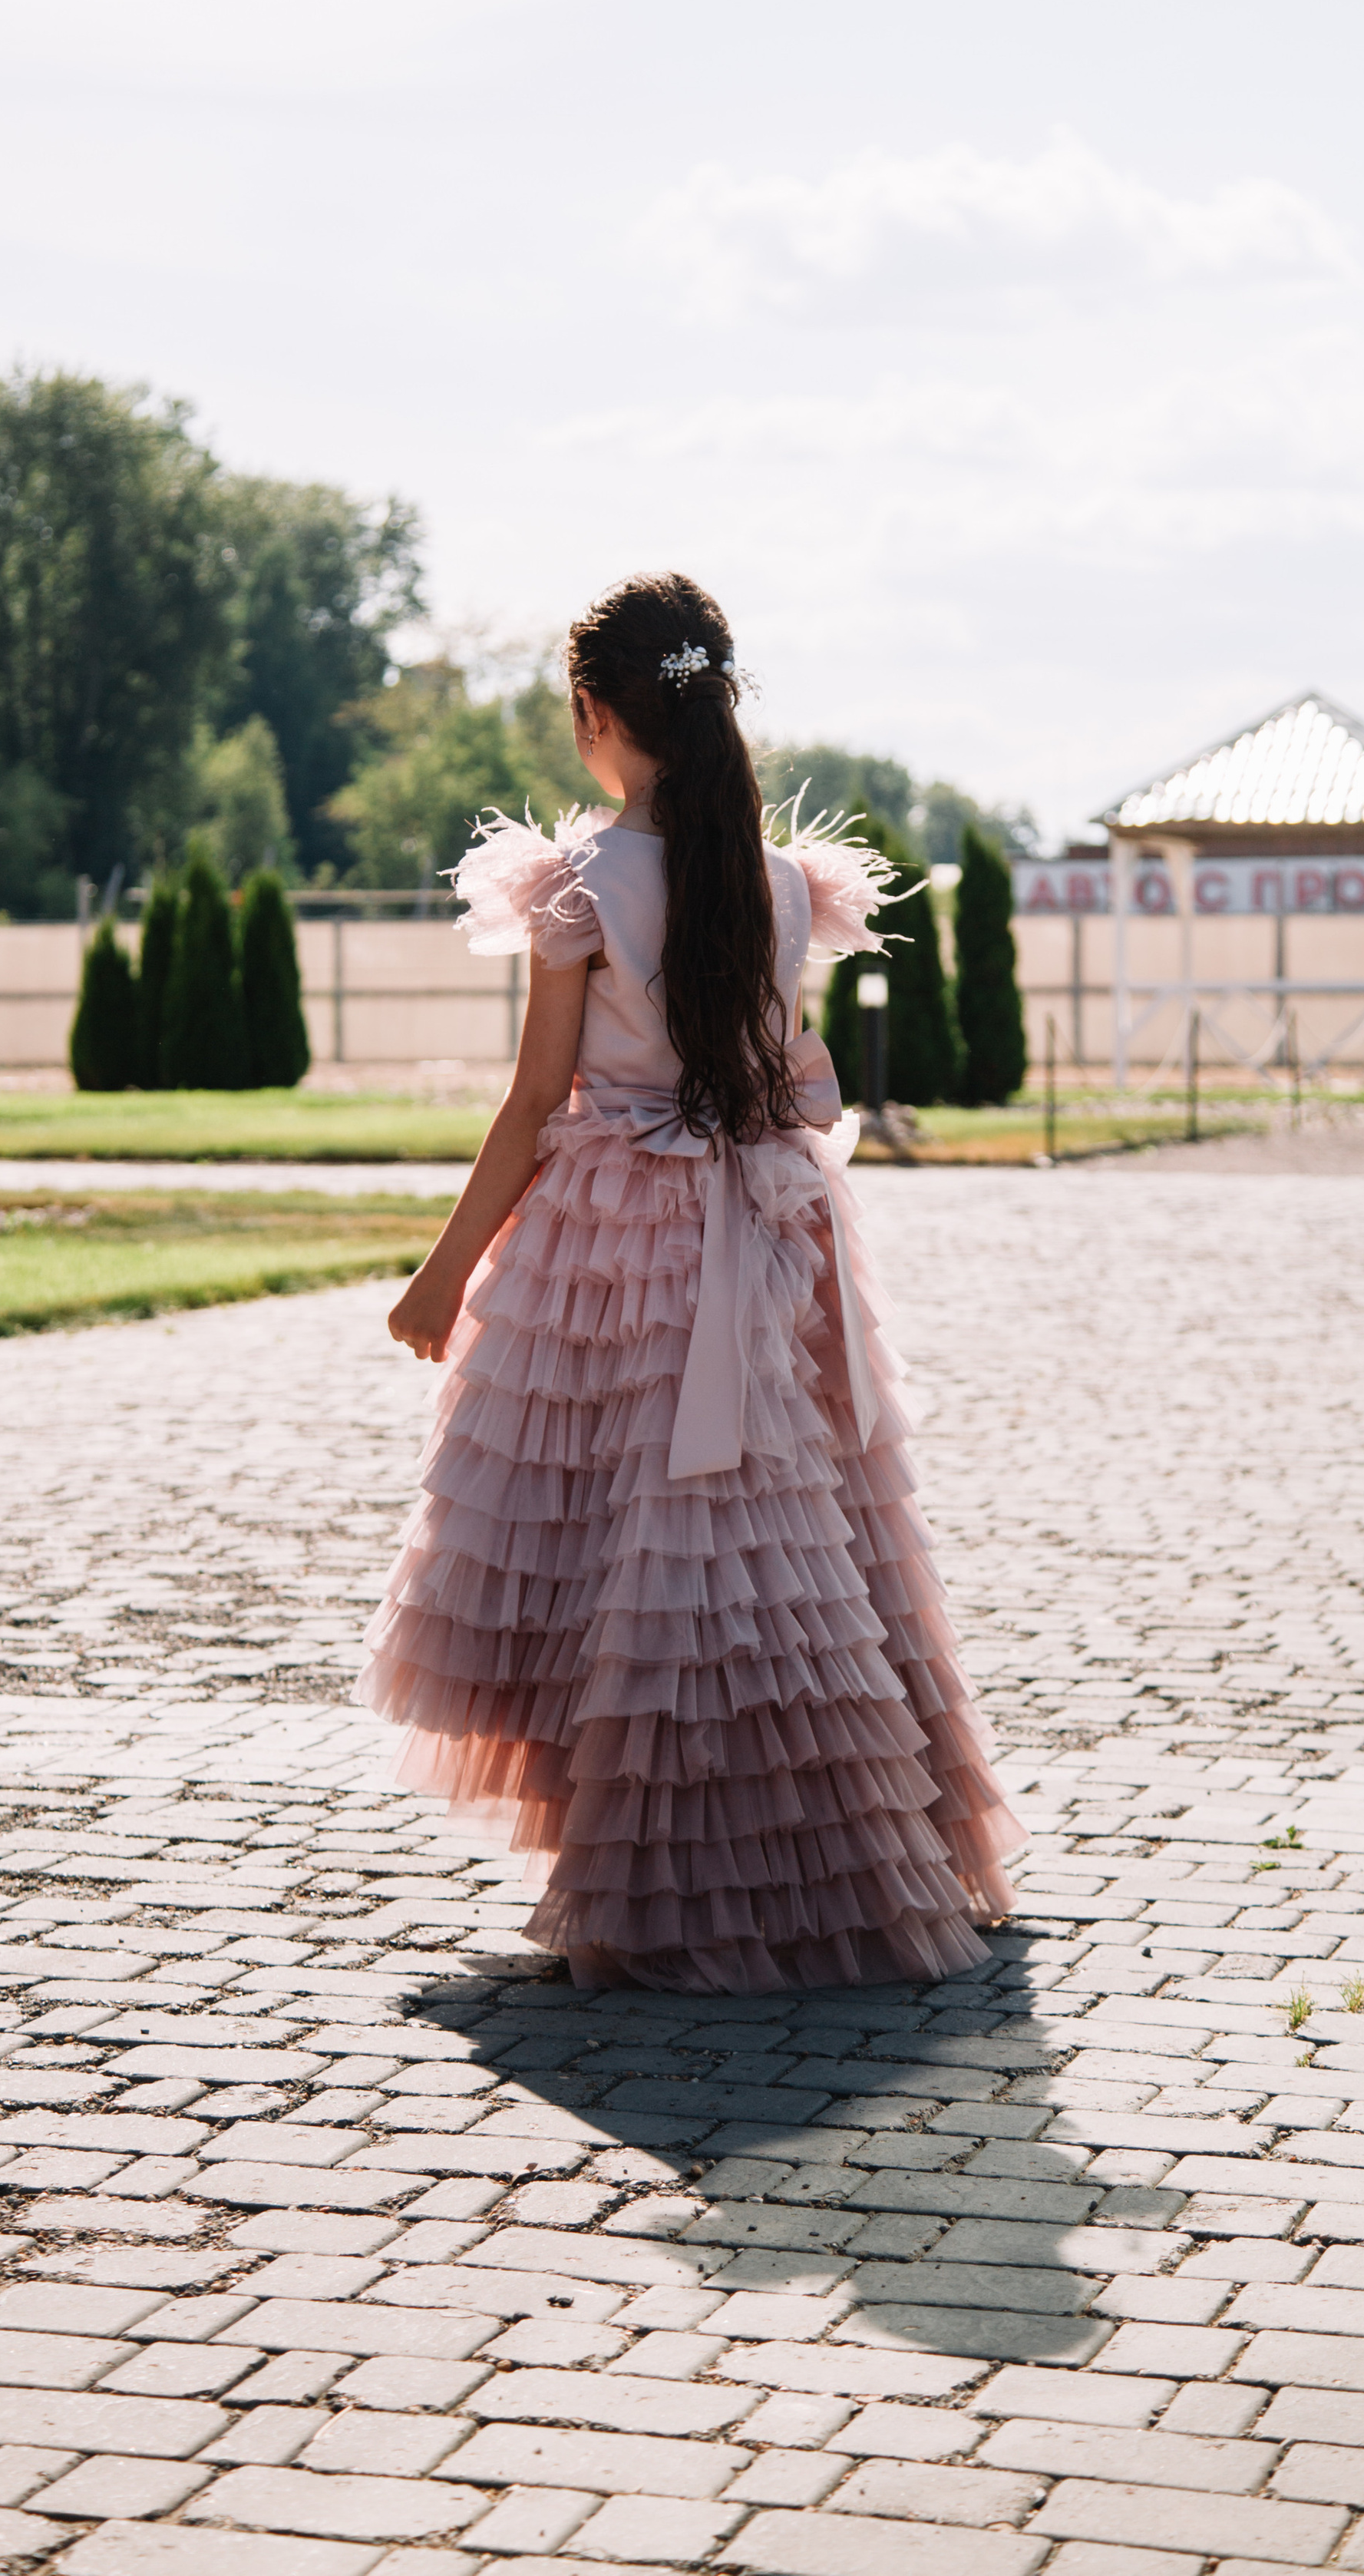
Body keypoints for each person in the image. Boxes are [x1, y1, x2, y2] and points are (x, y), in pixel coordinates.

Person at [357, 573, 1022, 1992]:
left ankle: (681, 1875)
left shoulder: (588, 883)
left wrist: (440, 1275)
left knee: (625, 1542)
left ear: (598, 717)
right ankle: (803, 1832)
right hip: (761, 1230)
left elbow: (539, 1104)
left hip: (614, 1241)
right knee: (762, 1535)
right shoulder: (780, 882)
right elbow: (772, 1077)